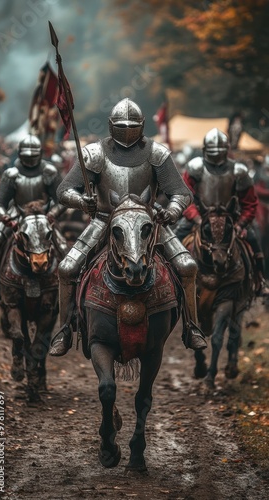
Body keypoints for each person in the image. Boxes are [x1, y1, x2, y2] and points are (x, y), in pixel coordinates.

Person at [49, 97, 207, 356]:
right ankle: (65, 328)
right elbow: (64, 190)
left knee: (187, 266)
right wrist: (82, 201)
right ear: (111, 126)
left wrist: (172, 210)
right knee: (67, 268)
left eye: (131, 125)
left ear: (142, 125)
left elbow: (181, 193)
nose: (126, 130)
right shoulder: (95, 153)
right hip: (104, 219)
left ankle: (191, 326)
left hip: (149, 220)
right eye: (121, 125)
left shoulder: (156, 153)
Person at [175, 127, 269, 296]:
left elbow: (249, 203)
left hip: (231, 220)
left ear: (226, 151)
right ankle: (173, 284)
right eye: (213, 152)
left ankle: (259, 281)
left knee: (254, 240)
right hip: (199, 219)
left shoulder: (238, 171)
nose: (216, 155)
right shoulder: (195, 167)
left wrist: (241, 224)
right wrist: (196, 218)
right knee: (174, 241)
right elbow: (185, 197)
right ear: (205, 150)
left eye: (219, 151)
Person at [0, 134, 67, 295]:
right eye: (27, 156)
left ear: (39, 154)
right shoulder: (11, 174)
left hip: (44, 217)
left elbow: (61, 199)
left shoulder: (49, 172)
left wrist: (52, 214)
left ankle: (70, 287)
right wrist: (6, 218)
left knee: (64, 248)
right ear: (20, 155)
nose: (30, 159)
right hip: (17, 214)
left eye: (33, 156)